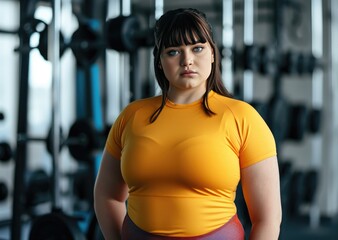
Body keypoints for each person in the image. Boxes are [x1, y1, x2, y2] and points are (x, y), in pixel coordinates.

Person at [94, 8, 282, 240]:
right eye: (173, 52)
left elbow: (268, 218)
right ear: (160, 61)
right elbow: (107, 195)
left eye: (198, 48)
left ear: (213, 53)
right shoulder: (131, 116)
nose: (187, 60)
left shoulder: (243, 118)